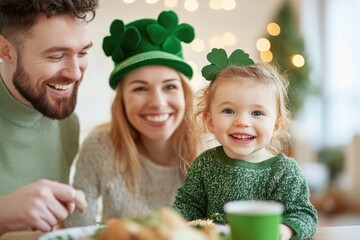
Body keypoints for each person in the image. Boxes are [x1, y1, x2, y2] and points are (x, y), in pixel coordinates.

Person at [65, 10, 202, 227]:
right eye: (140, 88)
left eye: (169, 86)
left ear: (185, 94)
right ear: (122, 100)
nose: (157, 102)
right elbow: (78, 230)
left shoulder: (211, 147)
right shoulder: (100, 147)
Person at [172, 48, 318, 240]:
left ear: (276, 126)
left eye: (257, 113)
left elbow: (304, 214)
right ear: (209, 121)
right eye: (229, 111)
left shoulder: (284, 170)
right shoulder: (204, 165)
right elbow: (186, 208)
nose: (242, 122)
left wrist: (285, 229)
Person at [0, 0, 98, 234]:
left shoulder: (67, 123)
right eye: (56, 56)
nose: (75, 73)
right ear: (6, 51)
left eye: (82, 52)